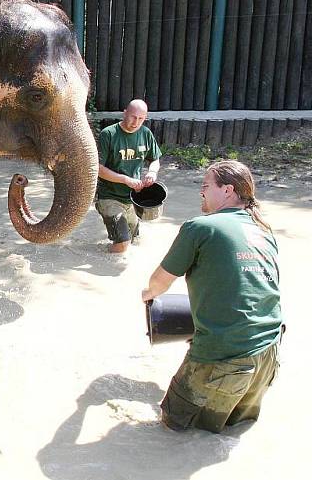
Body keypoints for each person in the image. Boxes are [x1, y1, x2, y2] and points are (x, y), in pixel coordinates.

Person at [142, 160, 283, 433]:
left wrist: (148, 294)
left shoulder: (201, 227)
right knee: (228, 433)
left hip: (224, 357)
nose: (201, 192)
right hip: (269, 354)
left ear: (228, 190)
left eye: (206, 186)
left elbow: (158, 283)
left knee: (172, 430)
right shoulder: (264, 231)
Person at [96, 99, 161, 253]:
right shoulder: (108, 134)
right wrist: (125, 179)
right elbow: (97, 168)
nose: (136, 122)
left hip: (133, 199)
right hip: (109, 197)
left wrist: (152, 172)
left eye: (141, 119)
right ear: (125, 113)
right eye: (133, 117)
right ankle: (101, 260)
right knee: (123, 244)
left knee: (135, 241)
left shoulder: (146, 133)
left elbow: (155, 159)